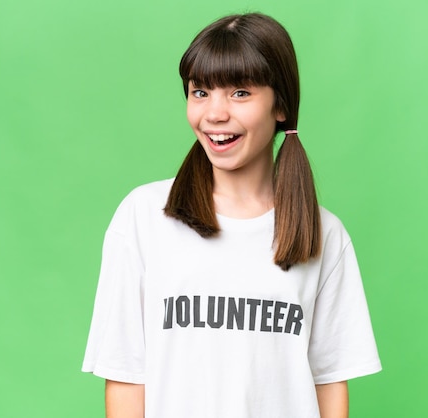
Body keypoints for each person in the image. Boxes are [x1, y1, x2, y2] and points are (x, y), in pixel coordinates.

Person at [82, 12, 381, 418]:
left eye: (240, 92)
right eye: (200, 92)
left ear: (281, 106)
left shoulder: (323, 234)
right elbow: (125, 375)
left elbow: (329, 384)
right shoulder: (143, 217)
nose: (214, 113)